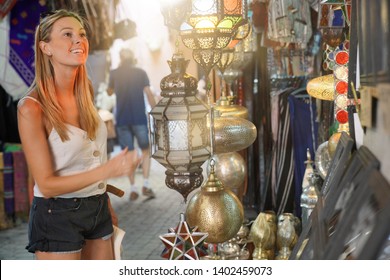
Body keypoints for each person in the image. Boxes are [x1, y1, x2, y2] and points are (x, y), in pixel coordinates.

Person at [17, 9, 140, 260]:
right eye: (67, 34)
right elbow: (47, 185)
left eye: (82, 34)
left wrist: (103, 201)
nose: (78, 40)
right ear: (46, 47)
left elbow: (87, 158)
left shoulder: (85, 91)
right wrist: (107, 171)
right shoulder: (31, 107)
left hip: (97, 209)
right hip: (57, 214)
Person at [107, 48, 156, 201]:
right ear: (133, 58)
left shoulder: (114, 73)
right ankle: (146, 185)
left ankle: (133, 188)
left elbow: (109, 92)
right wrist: (156, 112)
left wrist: (114, 86)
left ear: (120, 59)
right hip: (139, 118)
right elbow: (148, 93)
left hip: (122, 119)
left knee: (129, 155)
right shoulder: (141, 72)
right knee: (146, 151)